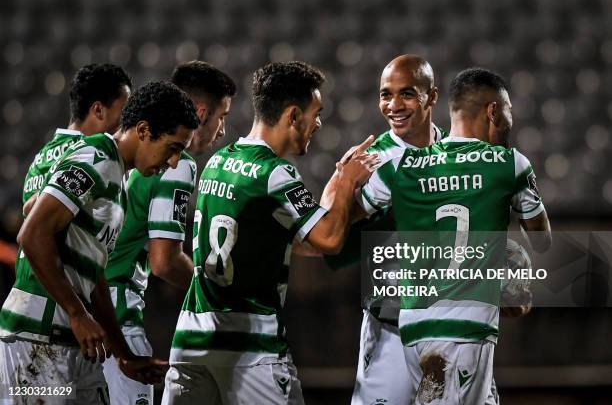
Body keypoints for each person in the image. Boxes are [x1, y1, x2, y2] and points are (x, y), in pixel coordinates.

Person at [162, 61, 378, 405]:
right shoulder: (274, 172)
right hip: (251, 351)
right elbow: (329, 242)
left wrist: (337, 180)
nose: (318, 124)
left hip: (190, 343)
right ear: (293, 115)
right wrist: (350, 181)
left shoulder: (218, 161)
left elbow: (299, 241)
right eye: (315, 113)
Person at [357, 68, 551, 404]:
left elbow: (349, 215)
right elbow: (542, 238)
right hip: (464, 331)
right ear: (493, 110)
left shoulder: (402, 166)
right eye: (507, 113)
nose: (509, 122)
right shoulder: (510, 164)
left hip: (414, 327)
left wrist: (340, 181)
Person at [0, 81, 199, 404]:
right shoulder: (95, 159)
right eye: (173, 147)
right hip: (35, 340)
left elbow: (94, 275)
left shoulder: (118, 179)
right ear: (144, 130)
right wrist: (77, 313)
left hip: (73, 345)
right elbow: (32, 234)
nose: (174, 162)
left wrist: (123, 354)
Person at [102, 61, 236, 405]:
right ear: (201, 112)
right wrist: (219, 295)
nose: (222, 131)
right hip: (116, 317)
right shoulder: (180, 165)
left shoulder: (119, 149)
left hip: (86, 313)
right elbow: (165, 261)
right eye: (222, 117)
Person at [319, 54, 445, 405]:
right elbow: (326, 228)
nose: (393, 104)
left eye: (406, 93)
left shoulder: (454, 152)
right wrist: (340, 183)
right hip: (391, 326)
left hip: (448, 323)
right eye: (385, 94)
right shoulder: (375, 160)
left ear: (431, 97)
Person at [22, 63, 132, 209]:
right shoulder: (93, 156)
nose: (129, 120)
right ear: (98, 110)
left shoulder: (38, 162)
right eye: (124, 111)